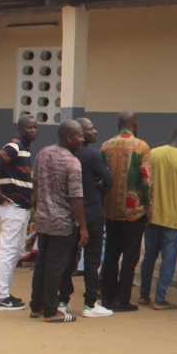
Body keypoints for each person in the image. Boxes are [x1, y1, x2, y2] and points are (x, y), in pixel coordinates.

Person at [29, 120, 87, 324]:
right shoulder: (72, 162)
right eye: (80, 135)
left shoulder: (43, 153)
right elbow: (76, 198)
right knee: (55, 266)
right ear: (69, 138)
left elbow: (35, 185)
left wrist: (38, 210)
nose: (83, 138)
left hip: (43, 218)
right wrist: (83, 227)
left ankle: (36, 306)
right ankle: (51, 310)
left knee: (42, 262)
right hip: (61, 222)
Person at [0, 113, 39, 312]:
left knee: (16, 250)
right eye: (29, 127)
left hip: (21, 206)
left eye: (35, 127)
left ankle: (4, 293)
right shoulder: (15, 146)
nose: (33, 130)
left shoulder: (24, 149)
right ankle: (0, 297)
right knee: (8, 250)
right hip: (13, 205)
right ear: (20, 129)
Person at [99, 112, 152, 312]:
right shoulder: (141, 147)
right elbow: (146, 180)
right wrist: (149, 208)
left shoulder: (105, 146)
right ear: (134, 124)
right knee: (130, 256)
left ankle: (106, 296)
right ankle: (122, 299)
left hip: (110, 209)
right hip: (133, 211)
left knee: (111, 254)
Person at [62, 118, 114, 318]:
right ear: (79, 134)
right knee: (92, 260)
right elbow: (109, 180)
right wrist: (100, 183)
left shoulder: (64, 154)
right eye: (90, 129)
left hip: (69, 214)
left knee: (67, 259)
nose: (95, 131)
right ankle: (90, 304)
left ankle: (62, 301)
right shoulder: (91, 155)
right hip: (91, 213)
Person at [141, 128, 177, 312]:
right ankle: (160, 299)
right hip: (172, 218)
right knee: (168, 260)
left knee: (149, 256)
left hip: (152, 215)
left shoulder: (153, 153)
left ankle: (143, 295)